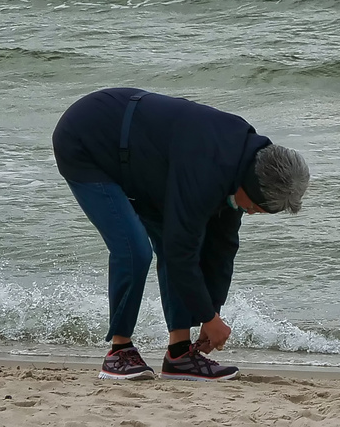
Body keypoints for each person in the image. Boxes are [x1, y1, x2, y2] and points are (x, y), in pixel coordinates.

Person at [51, 87, 310, 381]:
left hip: (143, 160)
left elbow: (222, 248)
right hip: (87, 140)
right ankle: (119, 352)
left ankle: (180, 354)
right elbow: (180, 252)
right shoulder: (207, 169)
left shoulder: (242, 163)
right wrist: (208, 319)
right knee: (136, 250)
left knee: (180, 241)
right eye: (257, 207)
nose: (252, 213)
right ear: (252, 184)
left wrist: (211, 313)